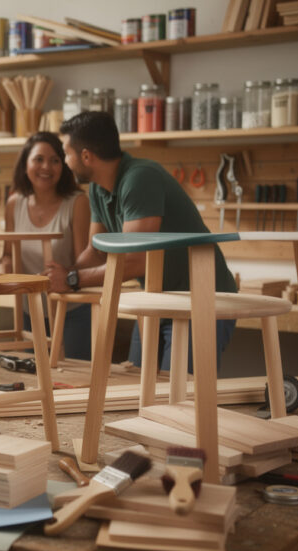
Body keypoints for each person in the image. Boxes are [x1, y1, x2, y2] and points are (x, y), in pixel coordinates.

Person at [44, 111, 237, 371]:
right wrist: (63, 274)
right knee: (136, 381)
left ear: (86, 156)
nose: (66, 162)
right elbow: (96, 252)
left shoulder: (140, 178)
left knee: (180, 391)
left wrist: (71, 279)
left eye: (66, 154)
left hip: (202, 298)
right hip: (157, 297)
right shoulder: (99, 188)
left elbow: (136, 262)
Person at [0, 132, 91, 359]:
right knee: (32, 374)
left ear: (64, 165)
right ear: (26, 164)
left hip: (70, 310)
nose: (46, 167)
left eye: (55, 160)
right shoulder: (14, 203)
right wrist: (5, 265)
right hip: (30, 311)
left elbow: (84, 263)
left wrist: (65, 275)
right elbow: (8, 254)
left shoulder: (78, 203)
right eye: (38, 159)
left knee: (73, 375)